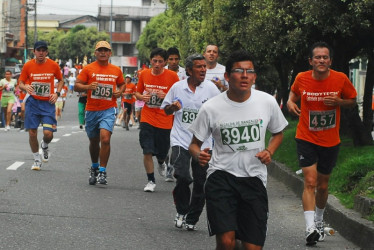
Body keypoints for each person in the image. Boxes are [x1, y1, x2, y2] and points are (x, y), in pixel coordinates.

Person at [189, 50, 288, 249]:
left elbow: (278, 133)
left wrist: (269, 151)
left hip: (254, 179)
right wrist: (199, 155)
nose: (244, 75)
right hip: (221, 177)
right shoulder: (211, 107)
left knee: (252, 247)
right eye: (239, 71)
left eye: (249, 71)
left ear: (254, 77)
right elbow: (194, 144)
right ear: (227, 76)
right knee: (226, 242)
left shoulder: (266, 101)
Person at [287, 41, 357, 246]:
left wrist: (339, 102)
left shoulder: (340, 78)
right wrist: (291, 103)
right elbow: (293, 95)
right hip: (306, 137)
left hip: (330, 140)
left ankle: (318, 221)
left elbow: (352, 100)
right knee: (310, 182)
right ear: (311, 61)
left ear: (330, 61)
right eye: (317, 57)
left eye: (325, 57)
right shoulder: (301, 78)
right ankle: (309, 228)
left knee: (323, 185)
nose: (321, 60)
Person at [161, 53, 220, 230]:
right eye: (199, 67)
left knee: (201, 183)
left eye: (204, 67)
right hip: (181, 139)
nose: (203, 70)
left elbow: (221, 111)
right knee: (183, 176)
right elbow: (166, 111)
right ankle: (181, 210)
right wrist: (172, 107)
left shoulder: (211, 89)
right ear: (189, 70)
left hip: (204, 143)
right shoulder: (177, 88)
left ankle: (192, 218)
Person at [74, 41, 125, 185]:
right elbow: (77, 86)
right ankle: (94, 166)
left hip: (109, 108)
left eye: (106, 50)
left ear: (110, 53)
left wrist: (119, 92)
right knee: (94, 141)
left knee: (105, 139)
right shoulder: (88, 69)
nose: (103, 52)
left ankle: (102, 170)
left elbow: (122, 84)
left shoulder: (116, 70)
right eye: (100, 50)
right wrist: (88, 86)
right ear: (95, 53)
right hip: (91, 109)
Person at [135, 47, 179, 192]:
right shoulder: (144, 74)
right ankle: (151, 181)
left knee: (162, 151)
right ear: (150, 61)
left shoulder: (172, 76)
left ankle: (161, 162)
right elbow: (137, 92)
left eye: (160, 61)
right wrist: (141, 97)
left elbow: (179, 98)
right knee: (147, 149)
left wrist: (165, 96)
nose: (157, 64)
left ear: (165, 62)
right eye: (155, 61)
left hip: (165, 120)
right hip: (147, 117)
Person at [18, 41, 64, 170]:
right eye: (39, 50)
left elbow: (61, 80)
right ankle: (37, 159)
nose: (41, 53)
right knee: (32, 133)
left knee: (48, 133)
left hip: (48, 103)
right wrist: (25, 86)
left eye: (44, 50)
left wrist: (57, 93)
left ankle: (44, 145)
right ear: (34, 52)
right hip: (32, 102)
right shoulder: (28, 66)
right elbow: (20, 82)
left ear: (47, 52)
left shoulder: (53, 65)